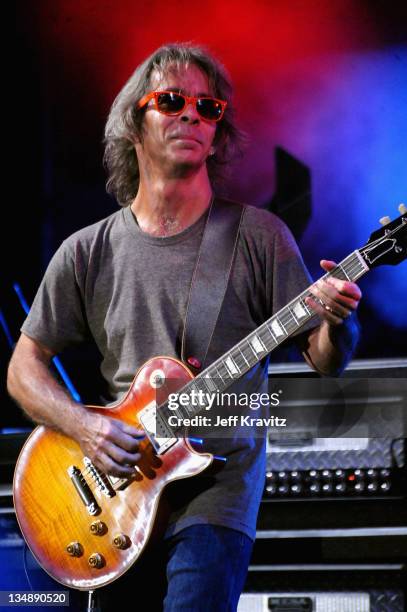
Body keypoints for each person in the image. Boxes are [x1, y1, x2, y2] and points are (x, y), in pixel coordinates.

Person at [7, 43, 361, 611]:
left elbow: (326, 358)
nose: (192, 114)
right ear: (133, 124)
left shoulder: (259, 237)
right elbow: (24, 366)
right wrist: (87, 428)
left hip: (216, 490)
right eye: (172, 101)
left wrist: (337, 321)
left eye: (209, 107)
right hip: (118, 490)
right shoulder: (87, 252)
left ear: (219, 134)